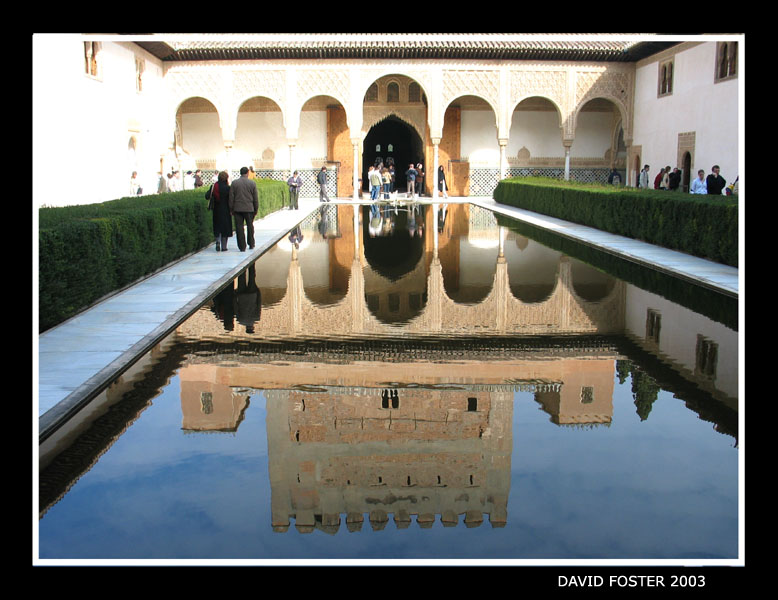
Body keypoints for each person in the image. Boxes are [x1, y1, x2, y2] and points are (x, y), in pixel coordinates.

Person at [229, 166, 259, 251]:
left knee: (239, 228)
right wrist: (256, 209)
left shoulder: (234, 183)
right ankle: (251, 243)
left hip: (237, 209)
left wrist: (231, 209)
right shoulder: (252, 183)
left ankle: (242, 246)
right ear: (247, 173)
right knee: (250, 226)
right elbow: (255, 198)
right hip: (249, 208)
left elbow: (231, 197)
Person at [206, 170, 232, 251]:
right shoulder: (228, 188)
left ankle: (217, 241)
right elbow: (231, 199)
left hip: (216, 210)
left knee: (217, 226)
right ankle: (224, 247)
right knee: (225, 227)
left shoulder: (214, 186)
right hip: (226, 210)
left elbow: (207, 196)